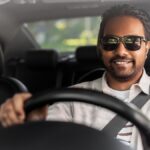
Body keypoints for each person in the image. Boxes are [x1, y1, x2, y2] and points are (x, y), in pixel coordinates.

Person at [0, 4, 150, 150]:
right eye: (110, 42)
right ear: (100, 47)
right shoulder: (73, 98)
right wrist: (32, 120)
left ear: (147, 47)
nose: (121, 51)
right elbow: (49, 133)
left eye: (133, 42)